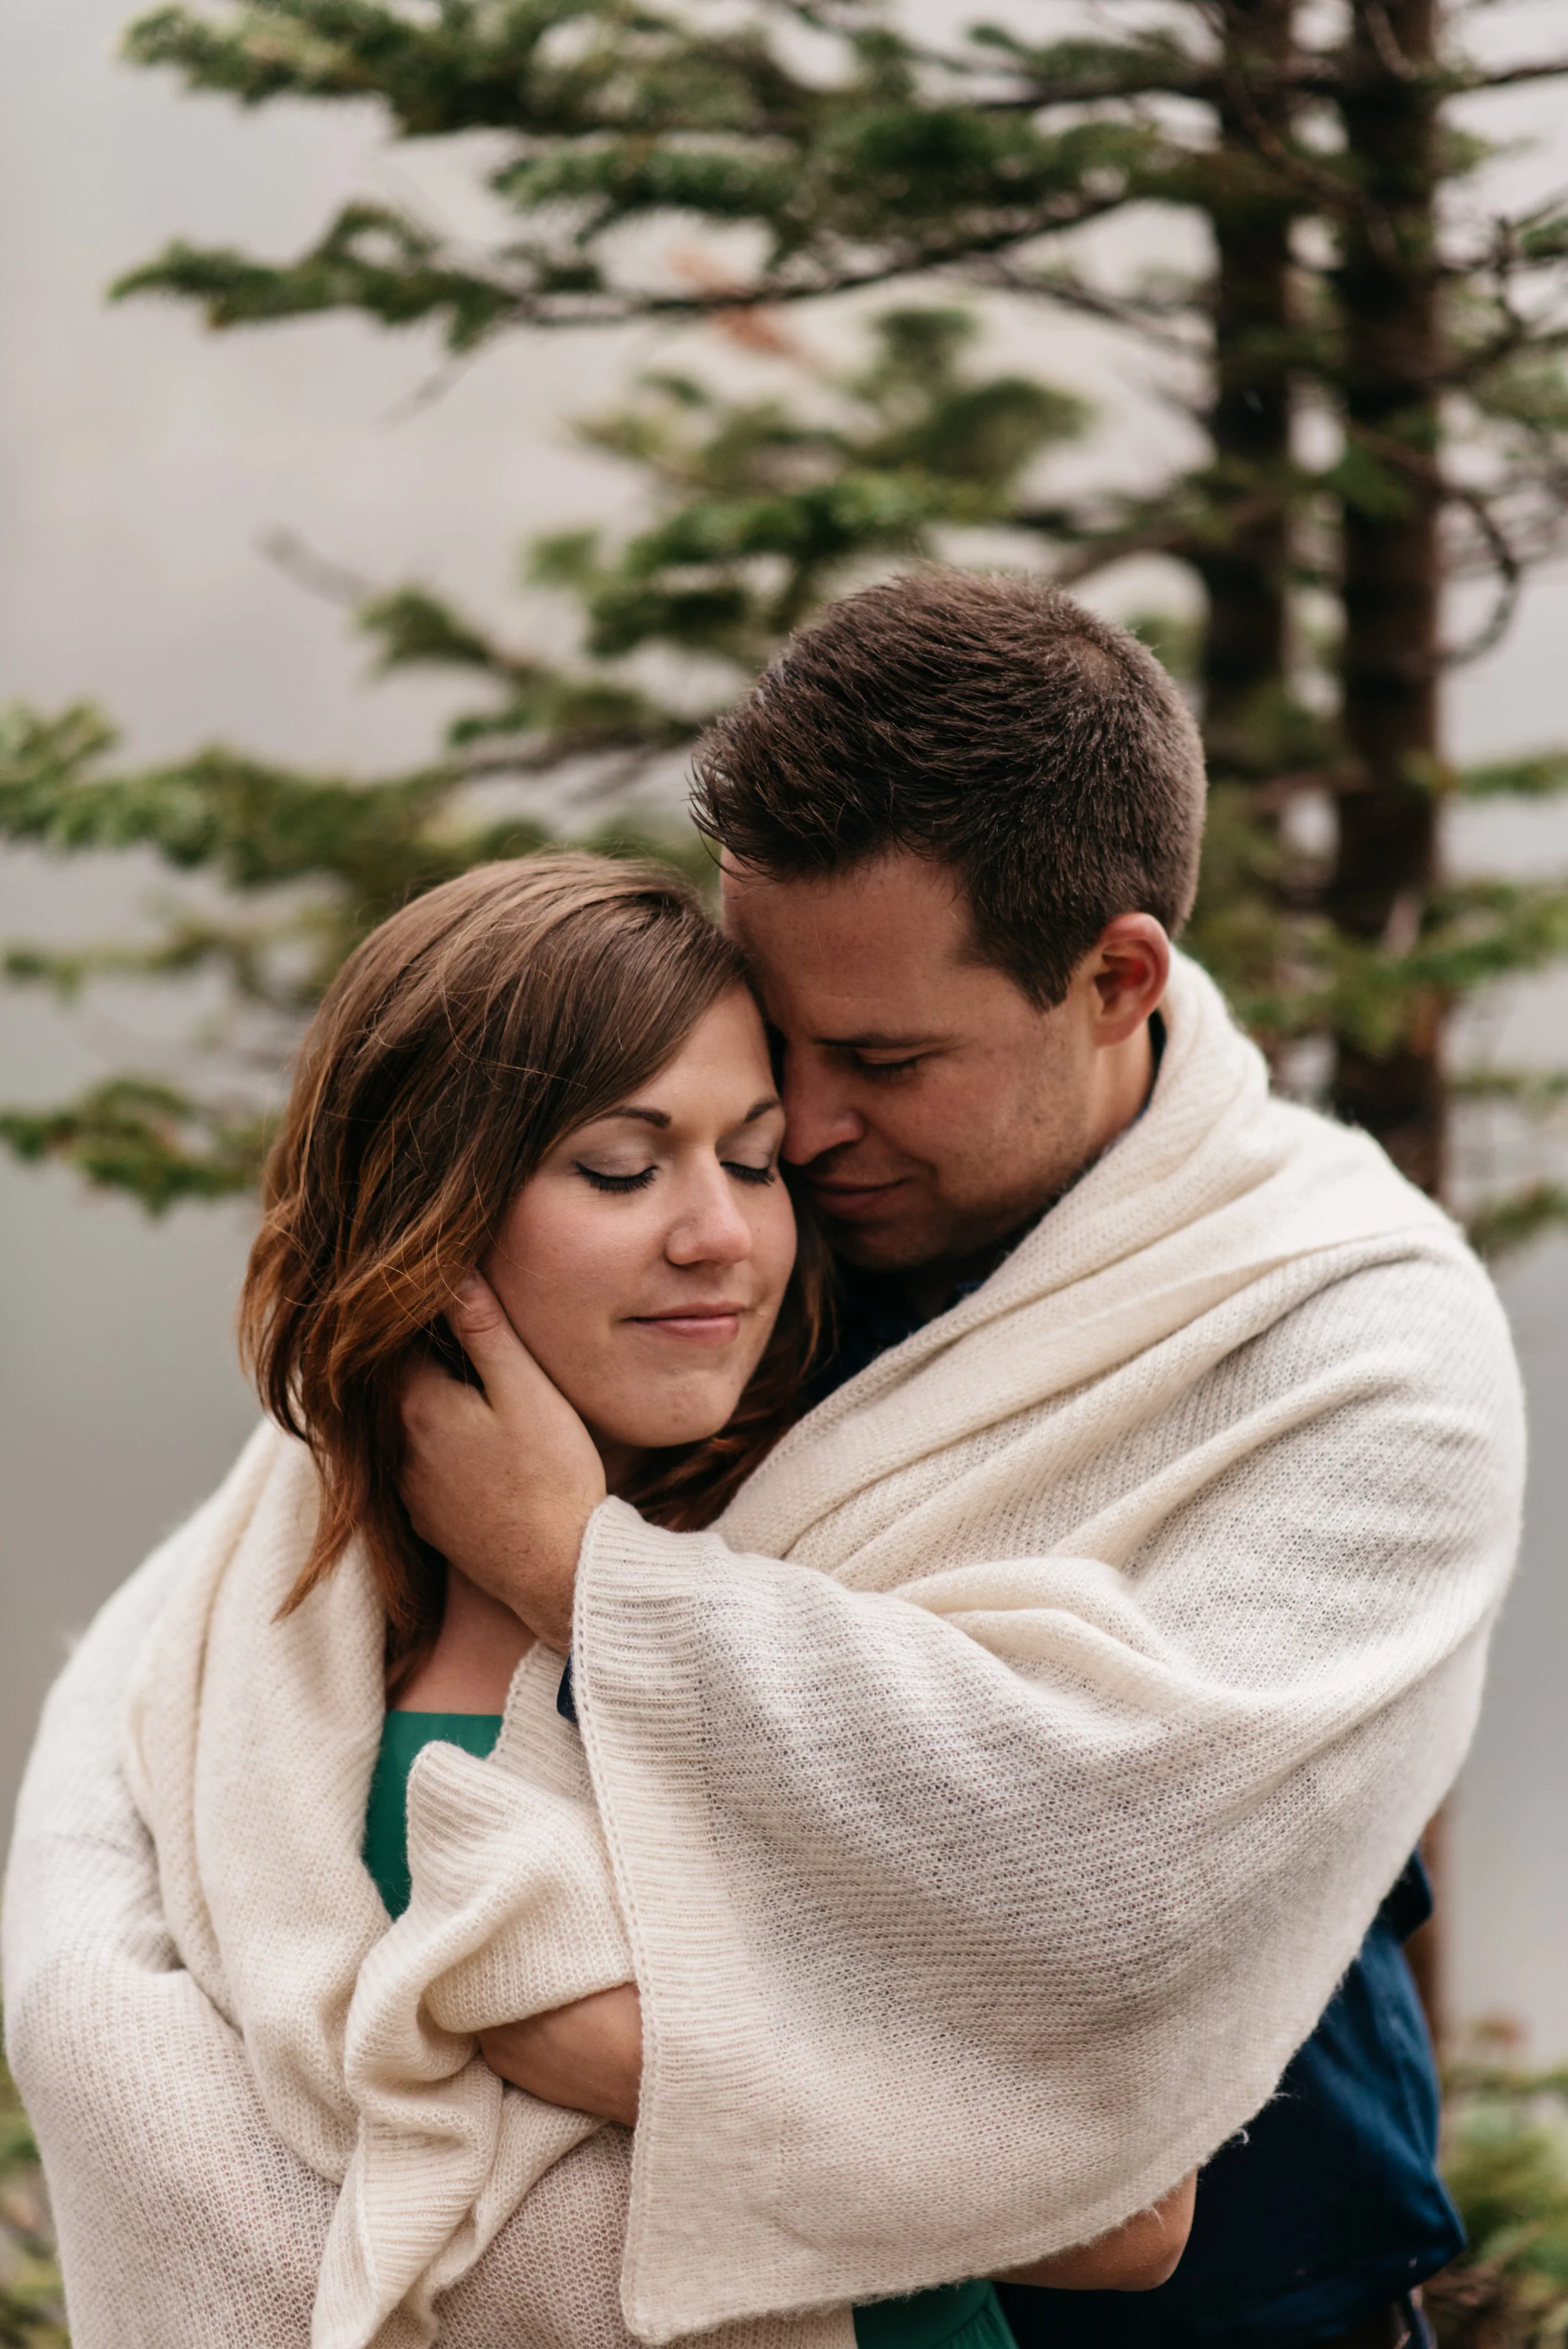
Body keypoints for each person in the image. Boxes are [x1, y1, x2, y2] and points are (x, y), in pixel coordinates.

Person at [397, 573, 1523, 2349]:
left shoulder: (1358, 1337)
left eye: (886, 1058)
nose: (806, 1121)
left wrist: (581, 1578)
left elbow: (1107, 1847)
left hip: (1227, 2292)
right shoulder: (731, 1220)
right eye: (778, 1035)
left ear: (1114, 976)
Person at [3, 849, 1189, 2349]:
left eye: (753, 1163)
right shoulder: (261, 1596)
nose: (719, 1236)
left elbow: (1135, 2210)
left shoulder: (862, 1575)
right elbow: (114, 2044)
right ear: (431, 1211)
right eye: (624, 1170)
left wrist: (590, 2043)